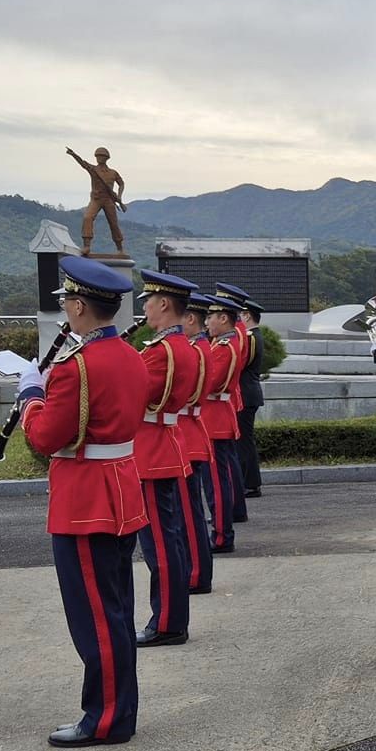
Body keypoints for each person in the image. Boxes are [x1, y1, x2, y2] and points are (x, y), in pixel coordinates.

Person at [17, 256, 151, 746]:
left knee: (95, 616)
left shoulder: (76, 367)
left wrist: (31, 397)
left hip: (86, 501)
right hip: (121, 489)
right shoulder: (132, 356)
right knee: (114, 610)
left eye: (68, 303)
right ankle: (117, 710)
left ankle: (107, 718)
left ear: (77, 305)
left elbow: (48, 437)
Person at [132, 271, 200, 647]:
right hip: (161, 444)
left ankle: (169, 623)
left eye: (148, 300)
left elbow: (136, 396)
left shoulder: (163, 351)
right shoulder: (176, 346)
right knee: (167, 541)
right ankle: (170, 618)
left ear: (162, 304)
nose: (144, 307)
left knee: (160, 545)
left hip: (153, 450)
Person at [178, 295, 218, 594]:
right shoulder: (202, 347)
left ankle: (196, 574)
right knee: (189, 514)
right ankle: (197, 571)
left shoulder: (196, 350)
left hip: (186, 434)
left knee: (189, 517)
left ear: (191, 319)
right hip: (189, 431)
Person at [201, 296, 246, 551]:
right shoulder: (223, 344)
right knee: (218, 480)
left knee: (216, 483)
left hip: (215, 419)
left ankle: (221, 535)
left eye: (210, 317)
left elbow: (209, 383)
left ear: (223, 319)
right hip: (217, 417)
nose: (207, 322)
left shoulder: (222, 348)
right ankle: (221, 530)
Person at [214, 282, 257, 522]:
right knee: (229, 460)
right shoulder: (241, 331)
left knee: (225, 464)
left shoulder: (234, 335)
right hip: (230, 397)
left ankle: (230, 509)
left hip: (225, 398)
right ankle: (236, 507)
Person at [66, 146, 127, 256]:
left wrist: (119, 196)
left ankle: (120, 248)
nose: (99, 158)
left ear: (106, 158)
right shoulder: (93, 169)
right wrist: (73, 154)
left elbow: (121, 183)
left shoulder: (113, 173)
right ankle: (87, 246)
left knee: (113, 224)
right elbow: (82, 163)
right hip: (96, 199)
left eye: (101, 156)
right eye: (97, 156)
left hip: (109, 200)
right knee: (87, 217)